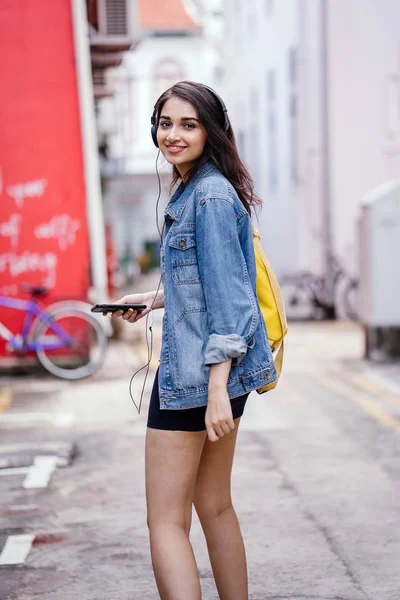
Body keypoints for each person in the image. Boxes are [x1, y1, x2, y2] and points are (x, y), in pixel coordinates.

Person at [108, 81, 277, 600]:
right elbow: (204, 283)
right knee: (214, 503)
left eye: (189, 124)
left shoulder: (207, 195)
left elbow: (232, 304)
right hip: (214, 374)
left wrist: (217, 390)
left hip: (199, 378)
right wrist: (153, 298)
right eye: (165, 123)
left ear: (212, 130)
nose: (173, 135)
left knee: (165, 521)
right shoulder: (199, 186)